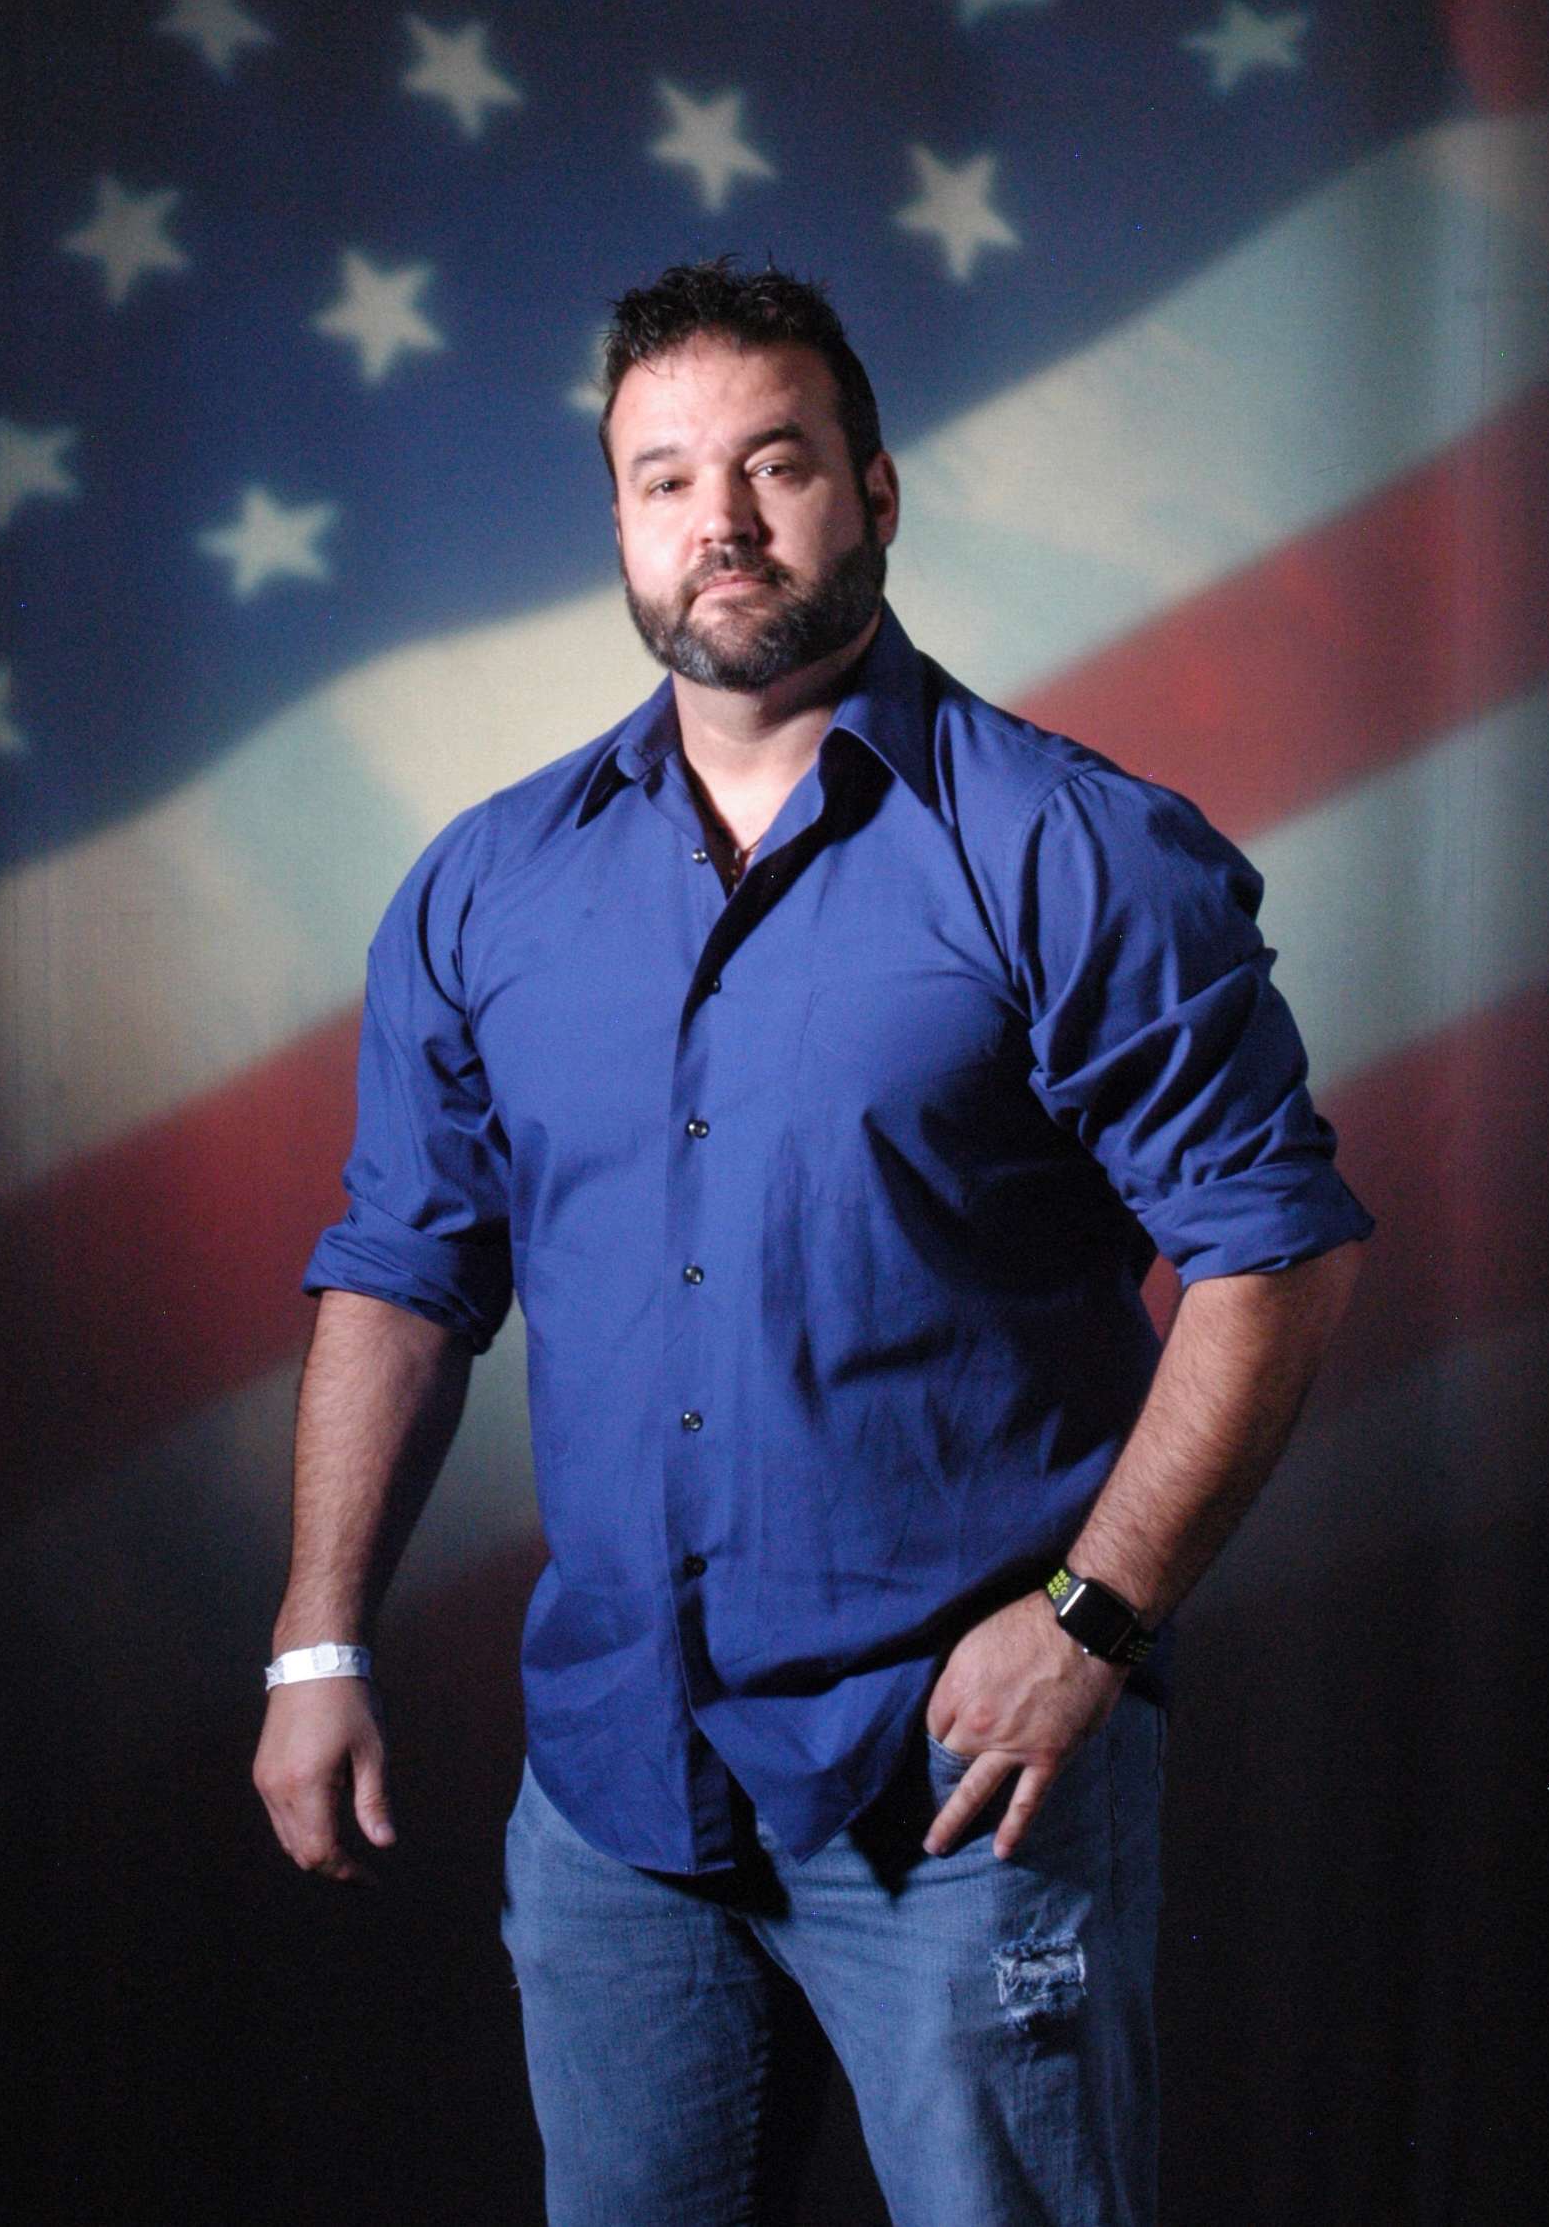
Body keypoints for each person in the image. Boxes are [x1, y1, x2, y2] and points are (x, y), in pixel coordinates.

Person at [254, 257, 1372, 2226]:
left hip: (961, 1784)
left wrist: (1092, 1621)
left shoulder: (1070, 852)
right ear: (618, 520)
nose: (723, 521)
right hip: (614, 1795)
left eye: (773, 464)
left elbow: (1272, 1253)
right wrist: (317, 1636)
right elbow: (405, 1272)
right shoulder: (485, 887)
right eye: (664, 477)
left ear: (872, 487)